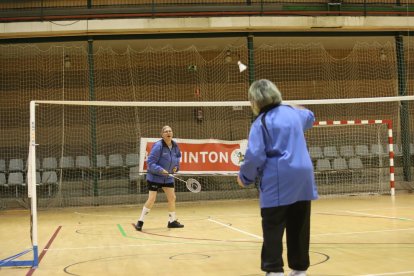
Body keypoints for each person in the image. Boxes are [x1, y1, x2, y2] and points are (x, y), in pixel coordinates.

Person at [237, 79, 318, 276]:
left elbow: (255, 155)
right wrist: (297, 106)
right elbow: (310, 116)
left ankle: (274, 270)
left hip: (279, 179)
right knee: (299, 225)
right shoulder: (292, 113)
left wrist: (244, 177)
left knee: (273, 226)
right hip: (304, 178)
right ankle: (299, 270)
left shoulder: (261, 122)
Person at [135, 125, 184, 231]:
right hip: (155, 177)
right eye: (166, 131)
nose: (168, 133)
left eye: (170, 131)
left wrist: (176, 168)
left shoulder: (175, 146)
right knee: (152, 199)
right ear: (162, 134)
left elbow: (177, 159)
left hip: (168, 177)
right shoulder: (158, 146)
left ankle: (172, 221)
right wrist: (161, 170)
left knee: (172, 198)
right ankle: (140, 221)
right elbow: (150, 163)